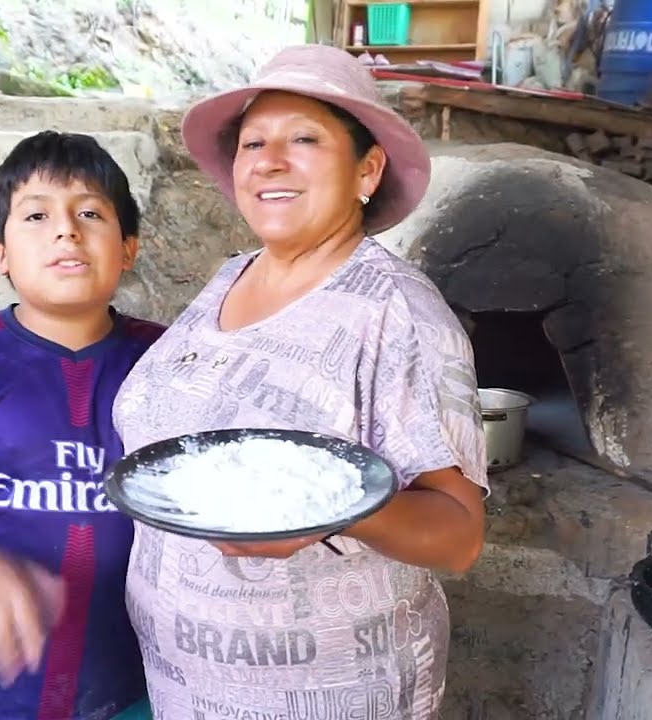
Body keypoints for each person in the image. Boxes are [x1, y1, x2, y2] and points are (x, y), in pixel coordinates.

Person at [112, 44, 488, 719]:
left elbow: (460, 535)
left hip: (331, 693)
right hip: (185, 686)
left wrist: (330, 515)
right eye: (253, 143)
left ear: (367, 169)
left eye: (304, 139)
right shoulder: (231, 274)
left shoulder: (396, 311)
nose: (269, 160)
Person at [0, 130, 164, 720]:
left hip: (137, 689)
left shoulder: (172, 365)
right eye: (37, 215)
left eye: (90, 212)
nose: (66, 230)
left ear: (128, 249)